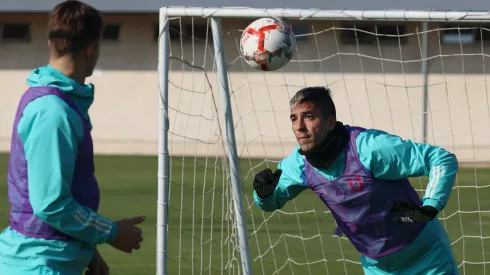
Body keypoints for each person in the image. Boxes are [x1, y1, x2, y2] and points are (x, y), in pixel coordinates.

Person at [0, 1, 145, 274]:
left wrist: (88, 250)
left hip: (50, 259)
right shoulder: (53, 112)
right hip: (40, 263)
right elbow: (51, 203)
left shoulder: (60, 102)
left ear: (50, 44)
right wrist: (111, 232)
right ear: (91, 50)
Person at [252, 86, 459, 274]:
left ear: (330, 121)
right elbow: (271, 202)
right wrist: (263, 194)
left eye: (308, 117)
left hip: (427, 258)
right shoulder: (297, 165)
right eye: (293, 119)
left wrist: (430, 207)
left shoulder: (369, 148)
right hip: (378, 268)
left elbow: (441, 159)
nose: (299, 127)